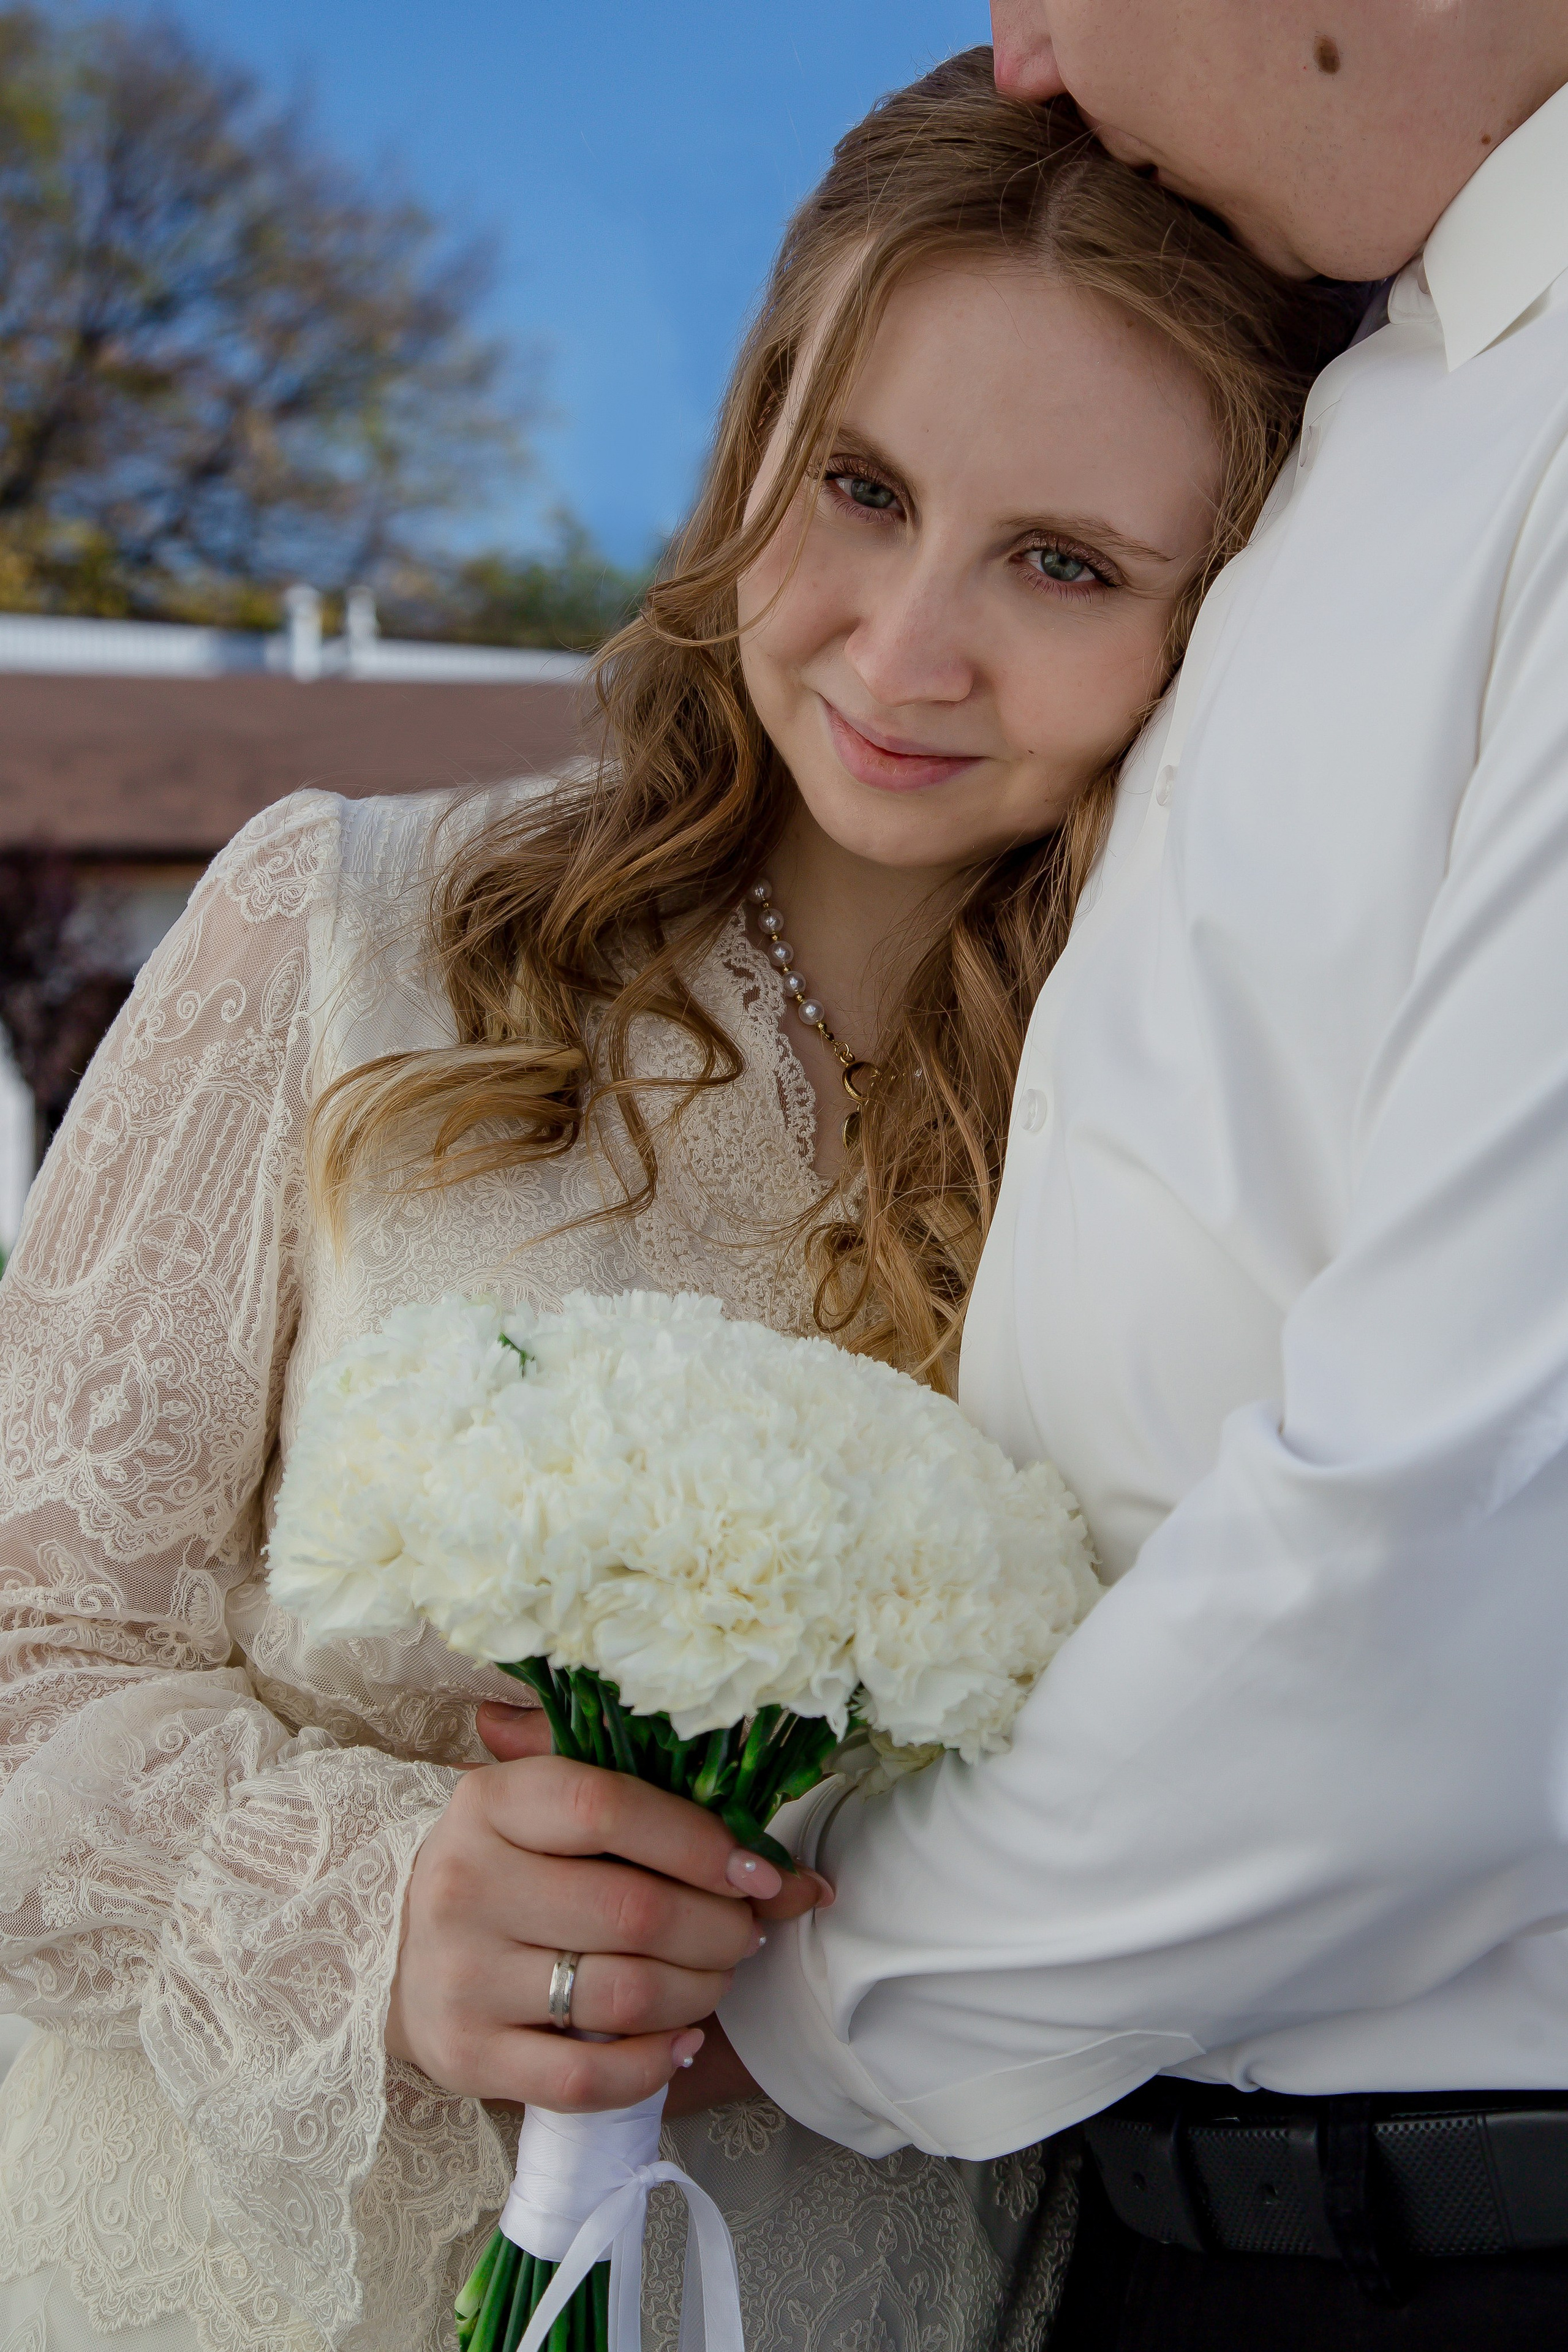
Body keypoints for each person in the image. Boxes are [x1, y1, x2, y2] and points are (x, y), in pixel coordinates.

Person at [0, 51, 1352, 2352]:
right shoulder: (339, 927)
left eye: (1063, 563)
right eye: (860, 485)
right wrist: (377, 1900)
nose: (905, 648)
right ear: (753, 447)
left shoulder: (1217, 1161)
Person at [701, 6, 1568, 2349]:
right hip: (1146, 2224)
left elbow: (1462, 1571)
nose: (1021, 46)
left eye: (1071, 562)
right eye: (857, 485)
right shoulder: (1417, 390)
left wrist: (772, 1993)